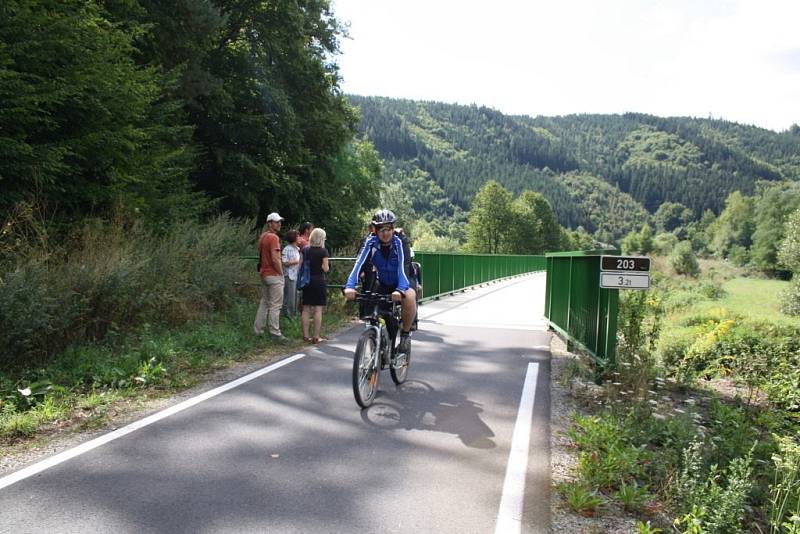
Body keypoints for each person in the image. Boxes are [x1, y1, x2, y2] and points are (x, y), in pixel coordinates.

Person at [344, 210, 417, 355]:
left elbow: (404, 267)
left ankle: (405, 335)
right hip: (383, 281)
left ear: (393, 228)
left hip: (403, 280)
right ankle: (375, 341)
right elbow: (359, 264)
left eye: (388, 228)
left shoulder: (400, 241)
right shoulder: (370, 242)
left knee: (408, 297)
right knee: (373, 307)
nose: (385, 233)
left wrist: (400, 289)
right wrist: (350, 286)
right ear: (375, 230)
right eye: (381, 229)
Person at [254, 212, 287, 341]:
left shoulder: (262, 237)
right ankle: (275, 333)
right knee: (275, 305)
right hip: (274, 274)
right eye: (276, 222)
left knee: (265, 303)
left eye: (280, 222)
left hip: (264, 273)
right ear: (269, 223)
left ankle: (258, 330)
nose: (279, 224)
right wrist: (281, 273)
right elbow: (275, 259)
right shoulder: (273, 238)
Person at [301, 227, 330, 344]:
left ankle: (305, 335)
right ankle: (316, 337)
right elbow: (326, 268)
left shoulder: (305, 250)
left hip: (307, 281)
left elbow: (300, 265)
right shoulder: (323, 251)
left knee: (306, 309)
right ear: (322, 239)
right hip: (319, 281)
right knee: (318, 309)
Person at [281, 229, 301, 318]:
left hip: (296, 275)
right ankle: (288, 316)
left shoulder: (297, 249)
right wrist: (296, 261)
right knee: (290, 297)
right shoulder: (286, 249)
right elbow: (284, 262)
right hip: (289, 275)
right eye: (298, 236)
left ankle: (294, 314)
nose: (299, 238)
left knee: (296, 296)